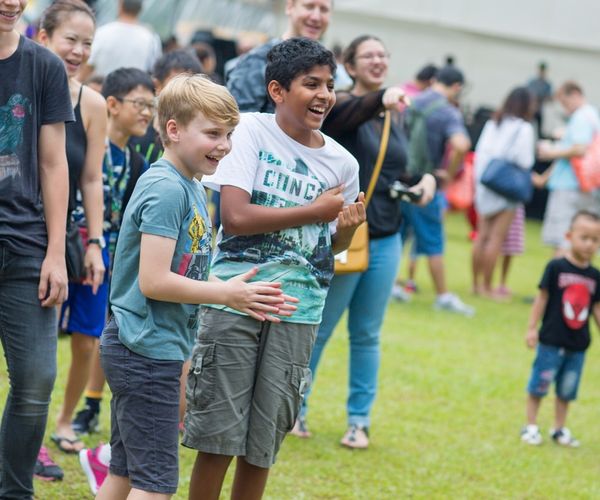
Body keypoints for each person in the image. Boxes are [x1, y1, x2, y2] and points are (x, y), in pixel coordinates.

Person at [95, 73, 293, 499]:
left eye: (229, 134)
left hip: (147, 347)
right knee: (154, 485)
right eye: (213, 134)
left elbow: (183, 270)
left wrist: (230, 287)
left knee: (125, 472)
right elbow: (154, 281)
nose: (224, 145)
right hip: (144, 351)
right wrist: (226, 294)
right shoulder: (168, 189)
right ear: (174, 129)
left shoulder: (190, 185)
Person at [183, 38, 364, 500]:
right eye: (311, 84)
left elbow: (328, 246)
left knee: (263, 442)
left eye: (330, 85)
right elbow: (235, 217)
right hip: (235, 300)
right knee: (217, 436)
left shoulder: (343, 163)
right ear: (278, 91)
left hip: (297, 311)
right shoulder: (249, 132)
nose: (324, 95)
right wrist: (314, 211)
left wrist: (344, 230)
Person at [291, 35, 436, 448]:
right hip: (347, 233)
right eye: (368, 55)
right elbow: (349, 115)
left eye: (383, 55)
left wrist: (424, 182)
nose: (378, 61)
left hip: (386, 235)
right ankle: (296, 409)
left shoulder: (397, 114)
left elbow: (399, 169)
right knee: (319, 328)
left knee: (367, 334)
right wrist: (381, 99)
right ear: (350, 67)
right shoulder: (338, 106)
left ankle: (359, 421)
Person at [0, 0, 73, 496]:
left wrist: (56, 252)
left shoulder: (44, 65)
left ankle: (14, 491)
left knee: (36, 381)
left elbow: (53, 163)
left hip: (27, 242)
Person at [32, 0, 107, 478]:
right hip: (18, 230)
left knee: (63, 346)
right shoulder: (20, 87)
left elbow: (91, 179)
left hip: (66, 238)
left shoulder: (92, 104)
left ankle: (52, 428)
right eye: (70, 40)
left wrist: (95, 242)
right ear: (44, 37)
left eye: (87, 44)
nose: (78, 51)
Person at [521, 210, 600, 447]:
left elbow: (596, 307)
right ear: (569, 236)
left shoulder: (595, 276)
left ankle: (559, 428)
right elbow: (542, 298)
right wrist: (532, 328)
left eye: (595, 240)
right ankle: (531, 426)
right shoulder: (556, 267)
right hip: (551, 340)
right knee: (539, 384)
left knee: (567, 390)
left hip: (577, 344)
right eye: (584, 237)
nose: (589, 244)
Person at [401, 66, 474, 315]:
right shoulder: (447, 111)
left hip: (400, 178)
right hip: (426, 183)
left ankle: (391, 287)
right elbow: (461, 144)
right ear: (457, 87)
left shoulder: (413, 100)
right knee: (433, 240)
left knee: (398, 235)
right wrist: (449, 174)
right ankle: (443, 296)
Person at [471, 87, 535, 299]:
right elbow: (524, 160)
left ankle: (475, 285)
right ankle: (488, 287)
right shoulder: (524, 128)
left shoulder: (493, 123)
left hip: (485, 184)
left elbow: (480, 153)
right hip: (507, 188)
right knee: (496, 239)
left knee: (481, 237)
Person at [226, 0, 332, 113]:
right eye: (309, 7)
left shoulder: (328, 67)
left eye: (324, 9)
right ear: (289, 7)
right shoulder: (257, 61)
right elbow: (239, 119)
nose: (316, 17)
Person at [535, 81, 600, 254]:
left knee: (564, 239)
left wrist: (550, 152)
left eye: (565, 102)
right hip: (588, 187)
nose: (565, 108)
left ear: (575, 94)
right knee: (583, 239)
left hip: (570, 188)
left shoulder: (581, 117)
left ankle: (560, 272)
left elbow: (579, 149)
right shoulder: (593, 116)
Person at [78, 0, 162, 80]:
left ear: (120, 4)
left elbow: (86, 69)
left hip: (101, 88)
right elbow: (155, 71)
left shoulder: (102, 33)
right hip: (134, 88)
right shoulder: (151, 39)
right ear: (141, 8)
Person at [527, 61, 553, 136]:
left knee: (539, 132)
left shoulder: (547, 84)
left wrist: (543, 97)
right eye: (541, 70)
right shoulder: (532, 82)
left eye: (543, 70)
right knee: (528, 129)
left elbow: (549, 98)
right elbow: (526, 94)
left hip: (539, 111)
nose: (542, 72)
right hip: (530, 110)